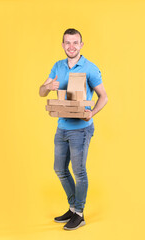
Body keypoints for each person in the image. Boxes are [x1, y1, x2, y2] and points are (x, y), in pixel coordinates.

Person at [39, 28, 108, 230]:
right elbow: (41, 92)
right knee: (60, 169)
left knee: (78, 172)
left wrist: (92, 113)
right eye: (67, 42)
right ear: (63, 45)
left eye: (75, 42)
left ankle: (79, 213)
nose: (71, 46)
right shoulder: (57, 66)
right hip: (62, 128)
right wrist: (48, 86)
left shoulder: (90, 68)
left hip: (81, 129)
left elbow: (104, 96)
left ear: (81, 45)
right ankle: (72, 207)